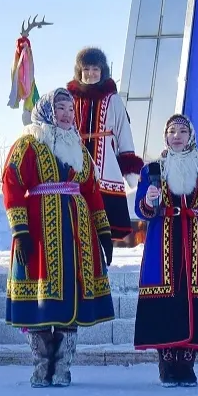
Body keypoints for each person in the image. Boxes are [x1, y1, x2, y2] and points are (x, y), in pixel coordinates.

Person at [2, 88, 116, 388]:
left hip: (78, 238)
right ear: (47, 112)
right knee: (42, 301)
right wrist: (21, 230)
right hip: (39, 234)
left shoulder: (78, 148)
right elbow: (12, 185)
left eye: (70, 109)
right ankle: (42, 366)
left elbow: (92, 191)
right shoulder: (29, 144)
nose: (67, 114)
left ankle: (63, 366)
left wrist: (103, 232)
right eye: (61, 109)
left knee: (72, 297)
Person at [133, 114, 198, 387]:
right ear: (165, 136)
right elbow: (140, 210)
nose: (176, 136)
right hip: (161, 243)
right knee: (167, 298)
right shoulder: (152, 169)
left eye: (182, 131)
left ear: (191, 136)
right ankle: (166, 364)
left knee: (192, 297)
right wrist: (148, 201)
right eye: (171, 131)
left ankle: (187, 364)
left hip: (197, 242)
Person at [66, 47, 143, 249]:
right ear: (79, 71)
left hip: (106, 165)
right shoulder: (69, 99)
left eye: (95, 69)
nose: (91, 74)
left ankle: (103, 253)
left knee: (104, 223)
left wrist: (130, 171)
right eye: (87, 69)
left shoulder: (113, 100)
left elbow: (124, 133)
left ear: (103, 72)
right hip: (75, 162)